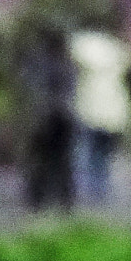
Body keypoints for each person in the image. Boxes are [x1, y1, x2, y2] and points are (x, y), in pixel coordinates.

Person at [68, 26, 131, 207]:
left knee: (89, 154)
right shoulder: (116, 51)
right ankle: (97, 192)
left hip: (92, 112)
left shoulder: (83, 46)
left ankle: (89, 193)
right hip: (111, 115)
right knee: (100, 155)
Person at [22, 24, 75, 210]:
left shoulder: (39, 62)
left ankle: (39, 199)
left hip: (46, 118)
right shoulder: (67, 63)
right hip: (63, 117)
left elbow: (31, 85)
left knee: (42, 161)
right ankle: (63, 201)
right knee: (61, 161)